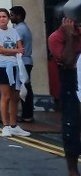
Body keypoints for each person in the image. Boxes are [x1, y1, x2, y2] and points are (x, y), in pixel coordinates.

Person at [49, 14, 81, 176]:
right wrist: (69, 37)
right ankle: (72, 171)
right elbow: (68, 61)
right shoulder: (55, 38)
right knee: (71, 129)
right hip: (70, 87)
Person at [0, 8, 28, 138]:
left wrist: (14, 50)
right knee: (5, 96)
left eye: (4, 16)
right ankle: (5, 126)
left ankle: (13, 125)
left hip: (15, 66)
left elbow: (21, 48)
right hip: (1, 66)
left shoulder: (14, 31)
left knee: (15, 97)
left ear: (8, 18)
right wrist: (15, 50)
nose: (2, 19)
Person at [10, 5, 34, 124]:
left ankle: (27, 115)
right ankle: (27, 114)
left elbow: (14, 46)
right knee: (26, 88)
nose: (10, 18)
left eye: (12, 15)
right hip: (26, 61)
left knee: (23, 88)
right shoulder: (23, 28)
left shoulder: (19, 30)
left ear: (19, 16)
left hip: (22, 61)